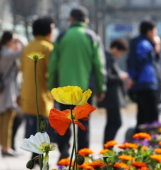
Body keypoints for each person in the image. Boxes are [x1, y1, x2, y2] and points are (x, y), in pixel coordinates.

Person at [48, 7, 106, 160]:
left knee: (64, 122)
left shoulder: (62, 36)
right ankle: (82, 156)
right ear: (86, 20)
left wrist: (50, 88)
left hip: (64, 91)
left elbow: (53, 65)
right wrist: (101, 88)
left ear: (71, 19)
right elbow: (99, 66)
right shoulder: (92, 36)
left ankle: (64, 152)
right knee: (83, 124)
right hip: (84, 90)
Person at [20, 17, 55, 160]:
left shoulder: (28, 46)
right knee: (41, 126)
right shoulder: (48, 48)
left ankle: (35, 155)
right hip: (42, 94)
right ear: (47, 31)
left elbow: (22, 68)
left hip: (28, 93)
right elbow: (52, 72)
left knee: (35, 124)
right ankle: (37, 156)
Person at [126, 20, 159, 132]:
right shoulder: (144, 44)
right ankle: (151, 143)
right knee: (151, 118)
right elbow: (138, 62)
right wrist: (133, 79)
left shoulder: (140, 42)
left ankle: (140, 143)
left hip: (142, 84)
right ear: (149, 31)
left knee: (142, 115)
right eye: (155, 30)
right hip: (146, 84)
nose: (156, 33)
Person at [0, 31, 21, 157]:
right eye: (14, 41)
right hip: (7, 90)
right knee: (7, 120)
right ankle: (6, 148)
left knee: (4, 119)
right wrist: (21, 40)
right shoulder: (6, 53)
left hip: (4, 90)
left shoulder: (2, 52)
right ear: (7, 41)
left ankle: (5, 147)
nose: (16, 43)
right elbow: (24, 51)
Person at [98, 39, 129, 145]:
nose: (120, 55)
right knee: (116, 122)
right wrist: (120, 77)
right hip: (111, 96)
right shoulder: (107, 58)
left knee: (111, 122)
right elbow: (106, 77)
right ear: (115, 48)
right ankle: (108, 145)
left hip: (111, 96)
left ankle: (107, 146)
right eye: (121, 52)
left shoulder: (108, 57)